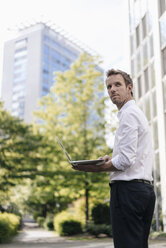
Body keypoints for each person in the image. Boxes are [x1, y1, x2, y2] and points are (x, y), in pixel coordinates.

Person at [72, 69, 156, 248]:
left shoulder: (128, 114)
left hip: (128, 192)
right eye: (109, 86)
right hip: (142, 191)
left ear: (129, 88)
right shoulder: (135, 114)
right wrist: (110, 159)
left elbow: (125, 161)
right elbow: (132, 155)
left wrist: (90, 167)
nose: (112, 90)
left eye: (117, 85)